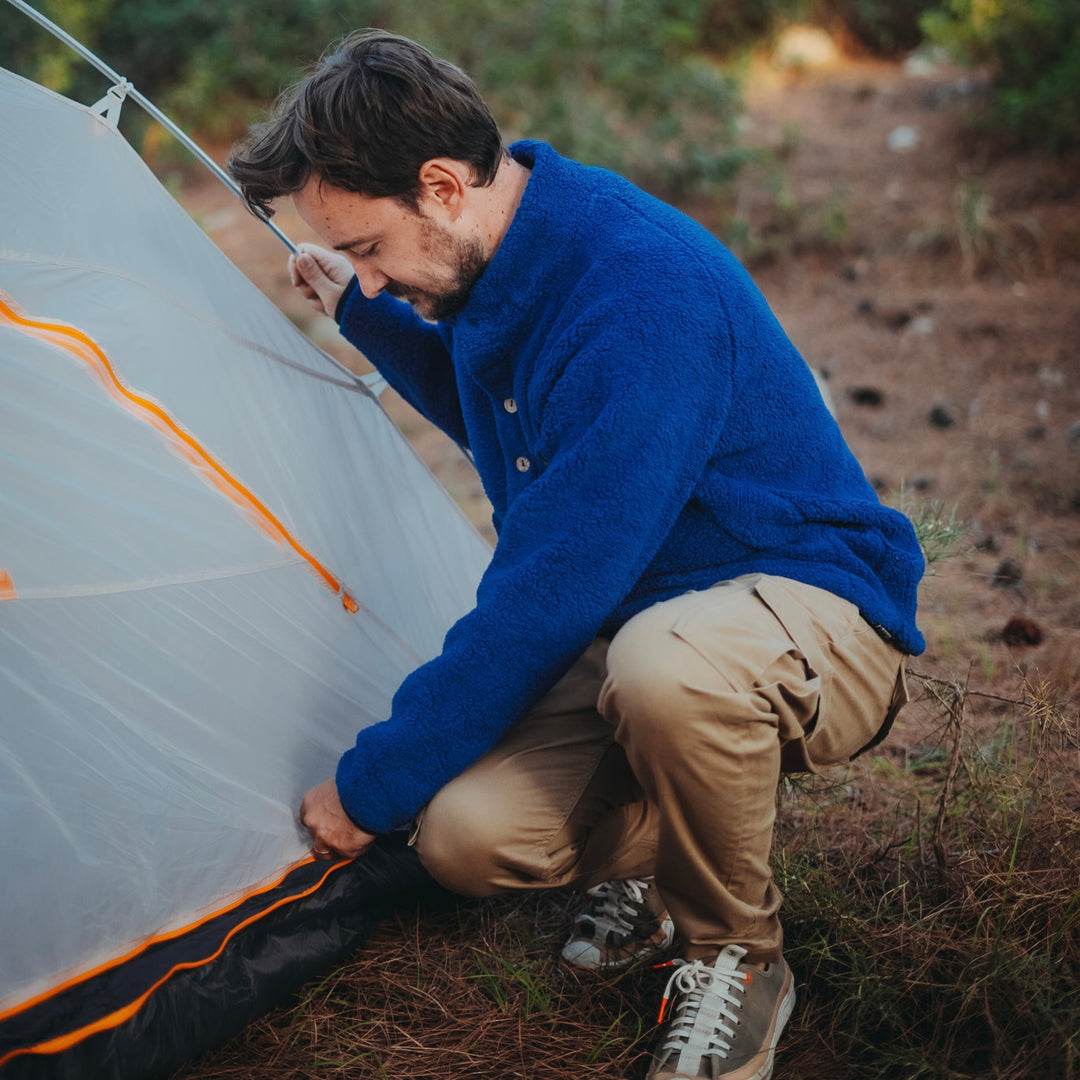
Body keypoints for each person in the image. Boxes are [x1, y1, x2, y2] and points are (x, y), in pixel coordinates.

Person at [228, 29, 924, 1080]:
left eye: (368, 246)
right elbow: (512, 418)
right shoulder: (499, 262)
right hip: (643, 620)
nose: (369, 268)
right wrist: (367, 311)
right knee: (466, 837)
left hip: (803, 605)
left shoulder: (637, 289)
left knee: (667, 670)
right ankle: (661, 844)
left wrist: (373, 785)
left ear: (440, 187)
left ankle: (735, 957)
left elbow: (553, 582)